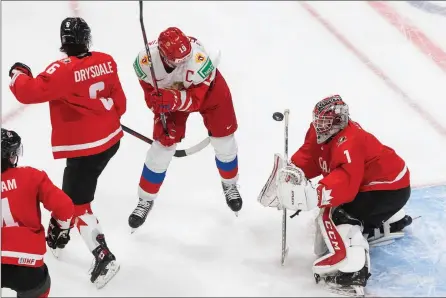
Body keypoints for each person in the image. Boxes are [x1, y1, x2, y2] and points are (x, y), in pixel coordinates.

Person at [8, 17, 126, 288]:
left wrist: (18, 73)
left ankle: (103, 256)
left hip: (85, 150)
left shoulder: (62, 70)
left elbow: (28, 92)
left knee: (77, 204)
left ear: (64, 42)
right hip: (111, 142)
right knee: (73, 192)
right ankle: (59, 234)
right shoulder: (107, 61)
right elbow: (122, 105)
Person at [258, 95, 412, 295]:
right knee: (332, 214)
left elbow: (346, 181)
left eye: (325, 122)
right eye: (317, 120)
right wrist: (293, 174)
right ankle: (385, 221)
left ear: (338, 121)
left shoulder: (350, 142)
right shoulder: (318, 132)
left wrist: (315, 194)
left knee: (340, 215)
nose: (319, 126)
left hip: (389, 189)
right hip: (374, 185)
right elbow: (311, 156)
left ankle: (353, 272)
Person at [129, 27, 242, 230]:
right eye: (177, 61)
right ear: (162, 55)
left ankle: (230, 184)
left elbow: (196, 101)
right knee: (162, 147)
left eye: (185, 58)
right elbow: (150, 96)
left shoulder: (198, 59)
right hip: (170, 96)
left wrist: (171, 98)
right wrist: (156, 101)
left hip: (209, 93)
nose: (183, 63)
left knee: (224, 140)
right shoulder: (145, 63)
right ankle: (145, 199)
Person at [1, 128, 74, 297]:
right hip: (27, 262)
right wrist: (59, 228)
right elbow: (65, 206)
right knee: (40, 286)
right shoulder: (31, 176)